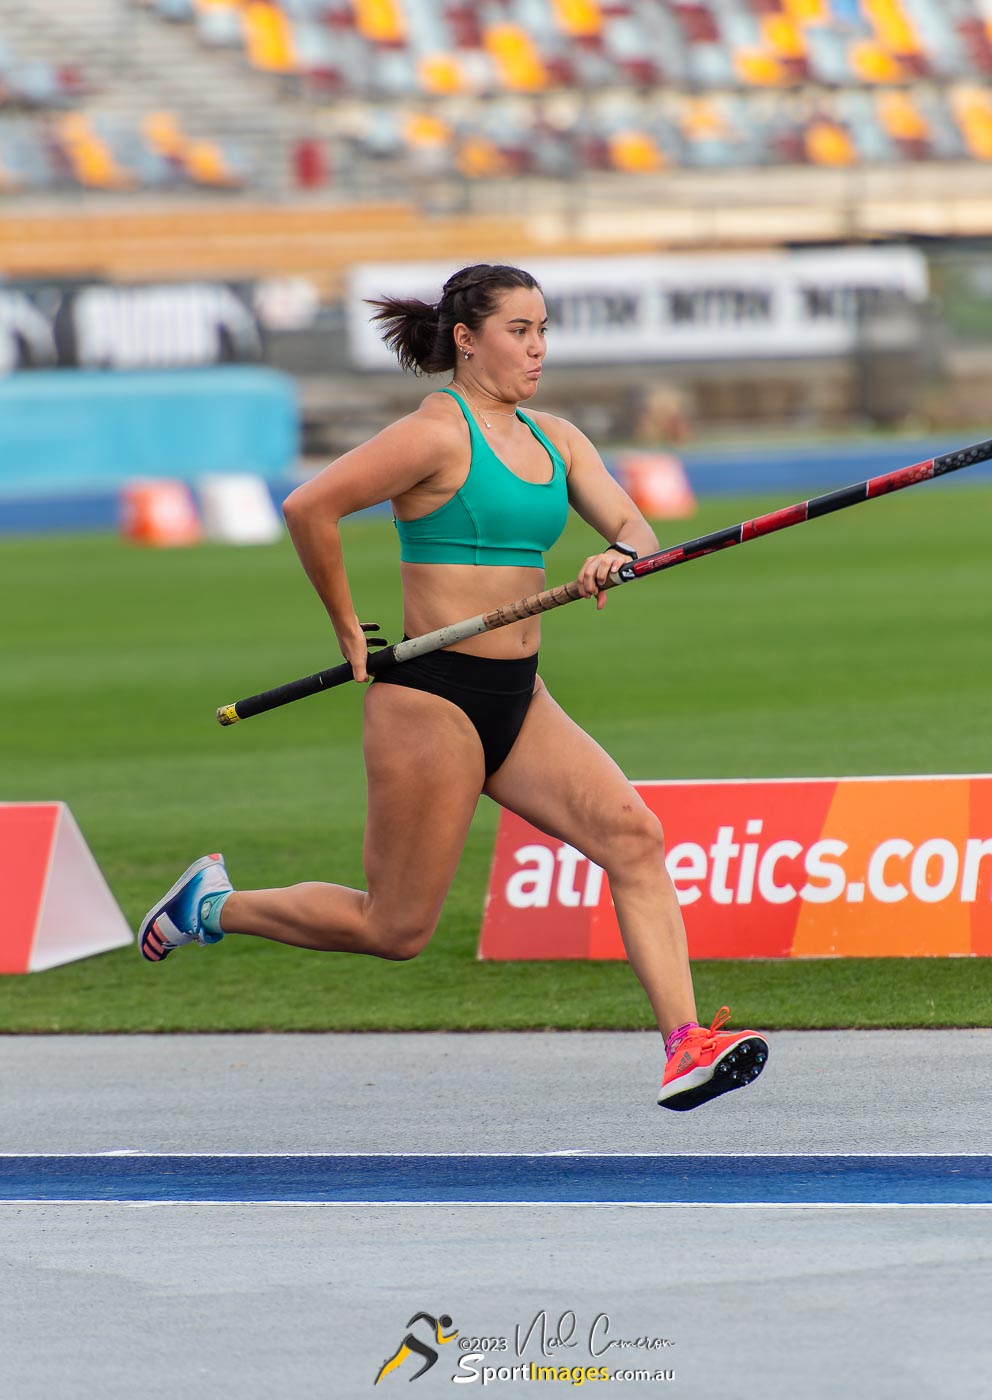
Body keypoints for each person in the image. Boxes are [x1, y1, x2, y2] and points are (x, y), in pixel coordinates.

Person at [137, 263, 768, 1111]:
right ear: (467, 340)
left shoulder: (558, 439)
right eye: (519, 330)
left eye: (544, 329)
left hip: (520, 695)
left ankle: (686, 1043)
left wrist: (620, 552)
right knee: (394, 929)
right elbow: (308, 507)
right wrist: (345, 626)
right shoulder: (436, 434)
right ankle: (213, 906)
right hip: (430, 697)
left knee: (634, 838)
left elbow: (632, 523)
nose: (537, 348)